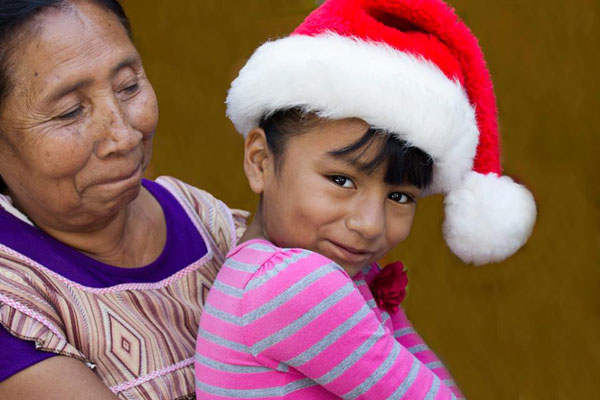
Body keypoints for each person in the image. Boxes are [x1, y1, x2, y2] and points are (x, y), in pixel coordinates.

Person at [195, 0, 537, 398]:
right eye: (341, 180)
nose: (370, 223)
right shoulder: (296, 286)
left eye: (399, 195)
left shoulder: (297, 274)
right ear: (260, 162)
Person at [0, 1, 246, 399]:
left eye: (129, 86)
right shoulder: (11, 300)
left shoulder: (206, 221)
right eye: (69, 112)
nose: (125, 136)